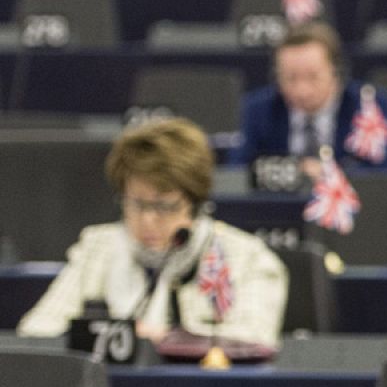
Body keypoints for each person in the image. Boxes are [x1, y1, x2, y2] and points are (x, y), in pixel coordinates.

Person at [17, 119, 287, 348]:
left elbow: (255, 339)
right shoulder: (97, 248)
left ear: (196, 205)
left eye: (164, 206)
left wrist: (167, 339)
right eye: (135, 203)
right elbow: (36, 333)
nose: (147, 220)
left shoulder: (248, 258)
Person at [229, 21, 387, 173]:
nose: (302, 91)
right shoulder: (259, 109)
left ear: (336, 73)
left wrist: (330, 174)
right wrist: (292, 172)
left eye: (313, 77)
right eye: (290, 78)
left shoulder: (370, 107)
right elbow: (237, 172)